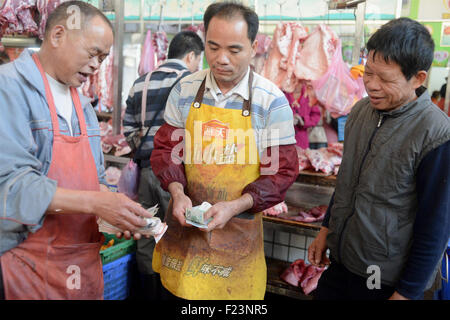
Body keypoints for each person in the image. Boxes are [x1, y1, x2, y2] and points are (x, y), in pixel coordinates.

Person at [0, 1, 152, 300]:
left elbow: (93, 180)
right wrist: (96, 204)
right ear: (57, 35)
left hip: (81, 266)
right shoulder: (9, 88)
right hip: (25, 264)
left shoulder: (82, 105)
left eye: (104, 57)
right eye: (93, 53)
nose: (97, 65)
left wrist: (116, 213)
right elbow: (10, 186)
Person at [149, 2, 299, 299]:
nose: (221, 59)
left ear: (254, 47)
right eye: (213, 47)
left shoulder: (271, 102)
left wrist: (236, 206)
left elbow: (280, 171)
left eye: (234, 49)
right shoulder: (184, 91)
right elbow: (168, 150)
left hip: (237, 240)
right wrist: (178, 194)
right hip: (184, 235)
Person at [308, 17, 450, 300]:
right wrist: (325, 229)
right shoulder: (360, 112)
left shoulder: (435, 133)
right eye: (368, 73)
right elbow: (348, 180)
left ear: (418, 78)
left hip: (382, 277)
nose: (371, 85)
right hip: (342, 260)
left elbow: (437, 223)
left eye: (385, 79)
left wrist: (406, 292)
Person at [123, 30, 204, 300]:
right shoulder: (193, 83)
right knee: (180, 237)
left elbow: (129, 128)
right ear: (191, 56)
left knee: (148, 235)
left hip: (147, 171)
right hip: (181, 178)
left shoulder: (140, 82)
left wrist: (147, 151)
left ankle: (148, 294)